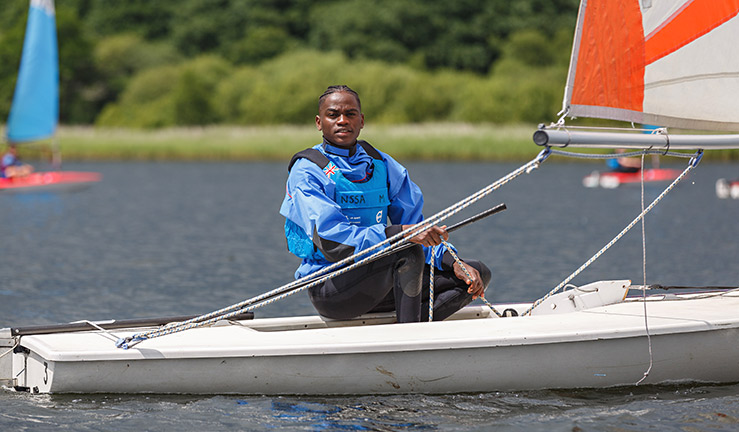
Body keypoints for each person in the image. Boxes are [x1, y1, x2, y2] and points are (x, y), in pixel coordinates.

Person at [280, 85, 491, 323]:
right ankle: (407, 340)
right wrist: (400, 233)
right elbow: (331, 241)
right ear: (319, 122)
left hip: (382, 282)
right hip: (333, 288)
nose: (342, 121)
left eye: (350, 114)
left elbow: (415, 226)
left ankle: (409, 328)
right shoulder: (307, 170)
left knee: (475, 274)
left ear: (361, 121)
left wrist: (453, 262)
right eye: (333, 114)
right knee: (407, 249)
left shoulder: (381, 163)